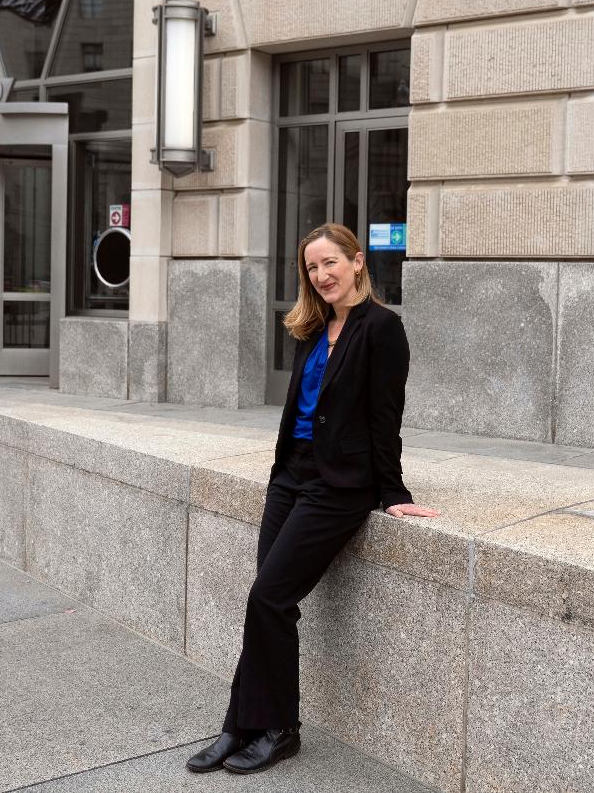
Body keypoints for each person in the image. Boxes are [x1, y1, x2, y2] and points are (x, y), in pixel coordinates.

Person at [186, 222, 441, 776]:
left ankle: (280, 730)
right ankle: (240, 725)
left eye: (331, 263)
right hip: (290, 476)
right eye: (312, 267)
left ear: (357, 262)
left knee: (269, 598)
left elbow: (385, 416)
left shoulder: (383, 328)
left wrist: (393, 491)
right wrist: (284, 469)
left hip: (339, 484)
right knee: (264, 600)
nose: (322, 275)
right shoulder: (311, 327)